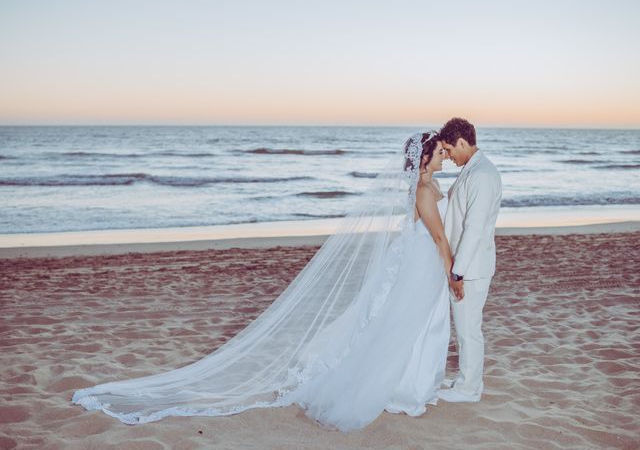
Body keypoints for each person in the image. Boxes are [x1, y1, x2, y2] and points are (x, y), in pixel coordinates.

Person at [72, 131, 454, 433]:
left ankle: (409, 386)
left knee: (410, 327)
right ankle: (396, 389)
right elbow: (438, 236)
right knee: (404, 327)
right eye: (438, 153)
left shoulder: (427, 185)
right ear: (423, 157)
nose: (442, 157)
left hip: (419, 261)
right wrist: (453, 269)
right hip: (424, 260)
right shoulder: (422, 189)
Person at [437, 118, 502, 403]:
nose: (449, 156)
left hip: (471, 268)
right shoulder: (473, 170)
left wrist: (457, 273)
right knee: (464, 327)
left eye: (450, 149)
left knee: (468, 330)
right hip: (466, 265)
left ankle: (469, 388)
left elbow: (474, 230)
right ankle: (466, 379)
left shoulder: (482, 176)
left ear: (462, 142)